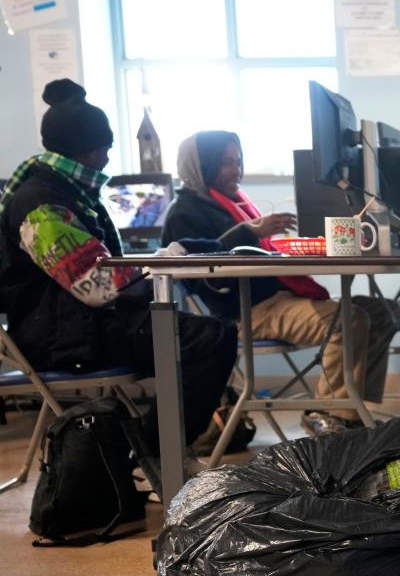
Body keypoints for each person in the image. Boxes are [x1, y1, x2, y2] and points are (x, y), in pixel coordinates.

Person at [0, 79, 237, 452]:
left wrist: (159, 261)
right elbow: (96, 286)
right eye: (107, 148)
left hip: (78, 326)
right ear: (90, 152)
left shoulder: (63, 191)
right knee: (209, 340)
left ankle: (151, 451)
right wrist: (160, 263)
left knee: (207, 334)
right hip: (61, 340)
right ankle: (155, 454)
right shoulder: (42, 206)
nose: (109, 158)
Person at [162, 131, 400, 436]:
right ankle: (329, 414)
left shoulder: (233, 203)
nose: (236, 170)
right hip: (248, 312)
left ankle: (351, 411)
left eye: (238, 162)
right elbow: (202, 268)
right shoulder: (184, 211)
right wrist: (248, 232)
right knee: (349, 320)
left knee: (385, 311)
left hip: (279, 297)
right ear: (202, 165)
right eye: (226, 163)